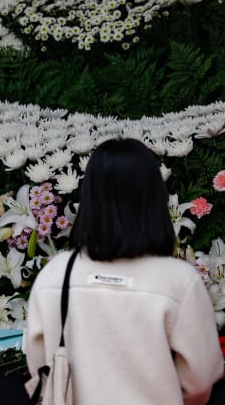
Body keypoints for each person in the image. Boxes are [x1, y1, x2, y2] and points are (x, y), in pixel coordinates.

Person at [23, 138, 224, 405]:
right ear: (154, 197)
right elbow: (199, 377)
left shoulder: (57, 274)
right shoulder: (179, 281)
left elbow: (39, 364)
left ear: (89, 197)